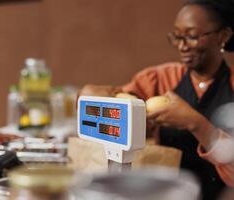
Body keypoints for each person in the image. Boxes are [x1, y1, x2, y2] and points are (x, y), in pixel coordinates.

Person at [80, 0, 234, 199]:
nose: (182, 46)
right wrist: (95, 96)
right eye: (177, 37)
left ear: (223, 36)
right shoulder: (161, 79)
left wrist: (195, 123)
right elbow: (114, 101)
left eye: (192, 36)